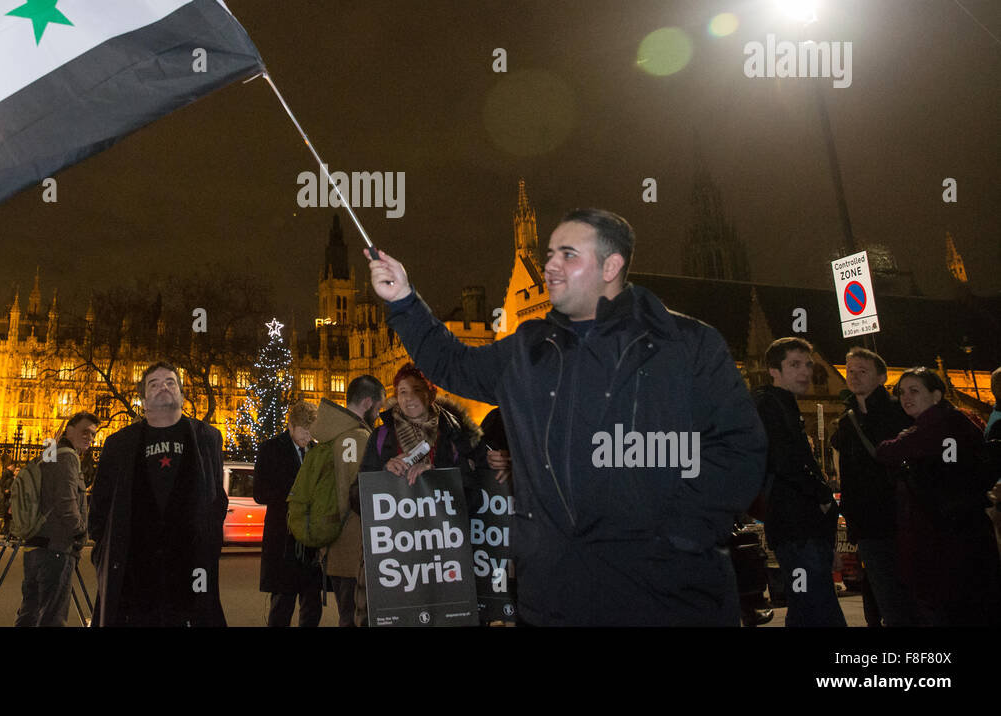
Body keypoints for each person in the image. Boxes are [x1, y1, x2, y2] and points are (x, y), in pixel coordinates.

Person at [364, 208, 766, 626]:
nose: (550, 264)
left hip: (669, 597)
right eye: (551, 252)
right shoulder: (527, 352)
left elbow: (739, 449)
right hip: (556, 598)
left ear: (612, 266)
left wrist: (676, 534)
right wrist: (404, 301)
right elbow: (452, 363)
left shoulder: (687, 344)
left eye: (568, 255)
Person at [89, 362, 227, 626]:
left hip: (189, 570)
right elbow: (100, 506)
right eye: (154, 383)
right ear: (143, 399)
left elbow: (216, 499)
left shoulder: (208, 438)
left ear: (182, 395)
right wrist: (104, 553)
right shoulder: (119, 444)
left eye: (170, 382)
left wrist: (208, 543)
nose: (163, 386)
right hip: (135, 574)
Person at [874, 367, 1001, 626]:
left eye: (914, 390)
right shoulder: (953, 420)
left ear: (936, 395)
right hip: (960, 534)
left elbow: (888, 451)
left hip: (949, 540)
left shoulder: (937, 424)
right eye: (901, 392)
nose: (905, 397)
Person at [754, 336, 846, 627]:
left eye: (807, 365)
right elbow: (785, 461)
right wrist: (821, 496)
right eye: (794, 365)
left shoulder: (782, 404)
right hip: (797, 526)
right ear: (773, 370)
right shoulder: (769, 404)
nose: (805, 372)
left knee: (805, 605)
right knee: (819, 606)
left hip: (796, 525)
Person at [828, 347, 915, 626]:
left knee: (904, 594)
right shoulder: (847, 418)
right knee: (879, 593)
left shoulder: (897, 413)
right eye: (849, 370)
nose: (853, 376)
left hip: (901, 516)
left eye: (862, 371)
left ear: (882, 377)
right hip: (866, 522)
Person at [312, 374, 384, 627]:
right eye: (378, 408)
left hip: (336, 548)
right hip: (354, 549)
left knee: (347, 616)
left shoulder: (333, 433)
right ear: (367, 403)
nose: (379, 414)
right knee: (355, 619)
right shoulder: (357, 438)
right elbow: (360, 494)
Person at [16, 411, 98, 627]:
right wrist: (80, 532)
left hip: (35, 543)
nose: (89, 438)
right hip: (56, 547)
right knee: (53, 615)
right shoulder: (67, 458)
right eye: (85, 432)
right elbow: (66, 501)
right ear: (69, 430)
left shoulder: (49, 453)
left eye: (93, 434)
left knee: (30, 611)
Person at [254, 401, 323, 626]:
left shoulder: (317, 450)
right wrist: (295, 493)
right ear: (291, 426)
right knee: (282, 604)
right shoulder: (270, 449)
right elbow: (260, 493)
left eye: (311, 432)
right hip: (283, 539)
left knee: (312, 605)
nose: (307, 437)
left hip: (311, 541)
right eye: (304, 431)